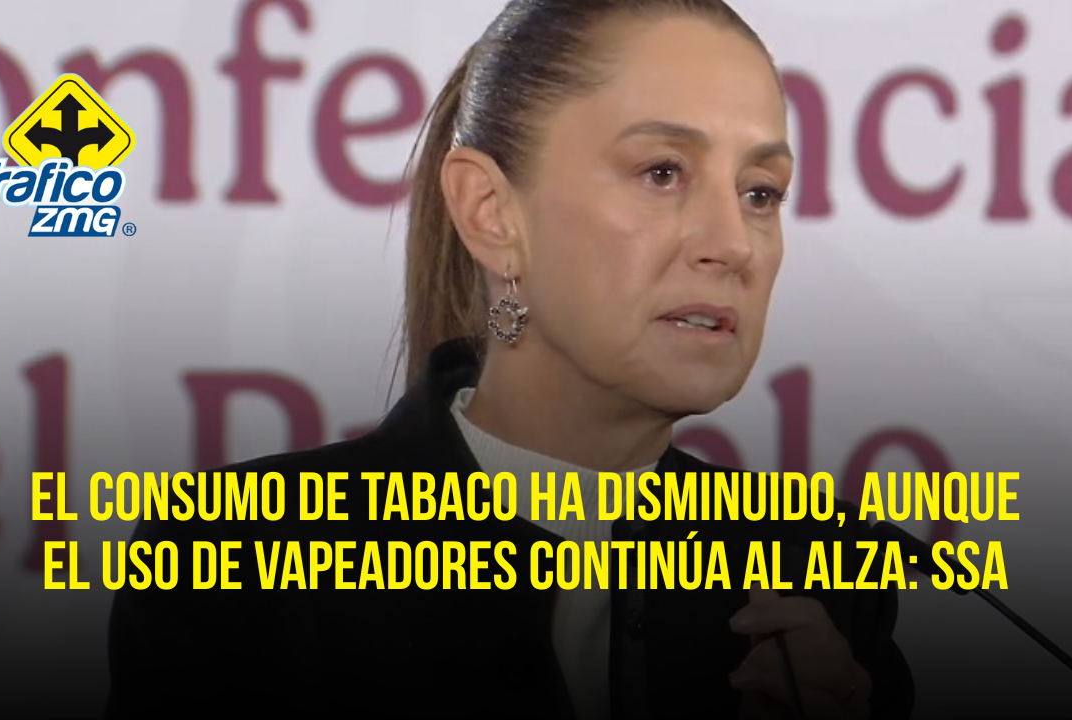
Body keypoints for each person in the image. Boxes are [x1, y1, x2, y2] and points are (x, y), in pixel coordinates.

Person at [105, 0, 914, 717]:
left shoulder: (830, 576)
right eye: (662, 172)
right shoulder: (231, 562)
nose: (733, 244)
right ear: (490, 212)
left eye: (760, 192)